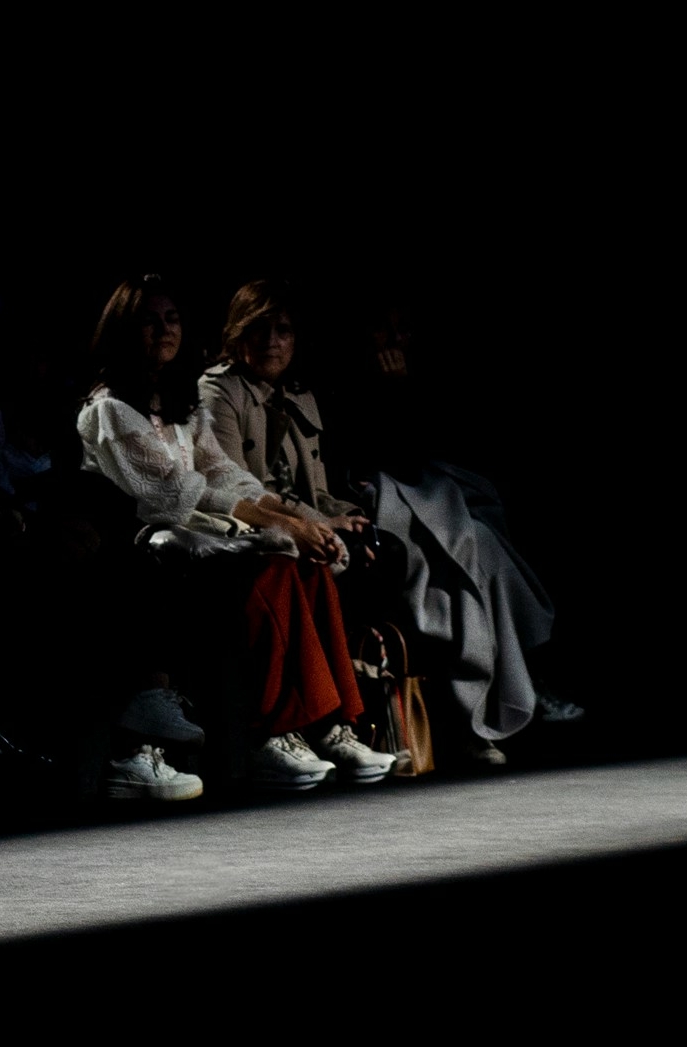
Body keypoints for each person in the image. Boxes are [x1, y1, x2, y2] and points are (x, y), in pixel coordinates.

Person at [199, 283, 574, 764]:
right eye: (260, 329)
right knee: (450, 541)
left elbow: (320, 482)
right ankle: (483, 701)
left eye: (283, 330)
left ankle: (504, 684)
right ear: (237, 334)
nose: (272, 341)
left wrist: (343, 515)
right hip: (271, 524)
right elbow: (240, 486)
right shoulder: (222, 390)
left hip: (336, 508)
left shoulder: (296, 390)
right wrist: (328, 518)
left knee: (473, 538)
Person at [76, 276, 393, 792]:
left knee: (310, 564)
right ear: (124, 330)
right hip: (149, 543)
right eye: (149, 321)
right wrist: (285, 524)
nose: (163, 330)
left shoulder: (178, 402)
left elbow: (225, 473)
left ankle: (333, 725)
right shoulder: (109, 408)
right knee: (273, 565)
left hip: (201, 532)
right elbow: (174, 492)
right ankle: (273, 733)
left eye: (171, 318)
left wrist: (305, 524)